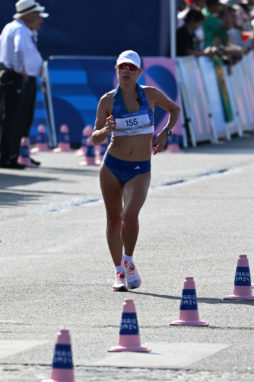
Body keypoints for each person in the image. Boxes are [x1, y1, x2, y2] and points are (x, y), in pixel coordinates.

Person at [91, 50, 180, 292]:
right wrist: (106, 130)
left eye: (131, 68)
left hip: (140, 168)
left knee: (130, 216)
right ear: (116, 71)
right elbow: (95, 138)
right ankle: (119, 271)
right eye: (122, 67)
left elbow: (174, 110)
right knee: (113, 218)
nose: (126, 71)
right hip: (112, 167)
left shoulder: (150, 95)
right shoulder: (108, 100)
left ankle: (128, 260)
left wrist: (165, 133)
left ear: (140, 72)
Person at [0, 0, 47, 169]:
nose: (40, 20)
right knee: (13, 119)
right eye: (37, 16)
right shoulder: (19, 30)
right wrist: (20, 67)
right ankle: (9, 157)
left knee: (18, 118)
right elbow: (18, 49)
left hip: (16, 76)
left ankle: (17, 154)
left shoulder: (14, 27)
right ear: (28, 15)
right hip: (16, 77)